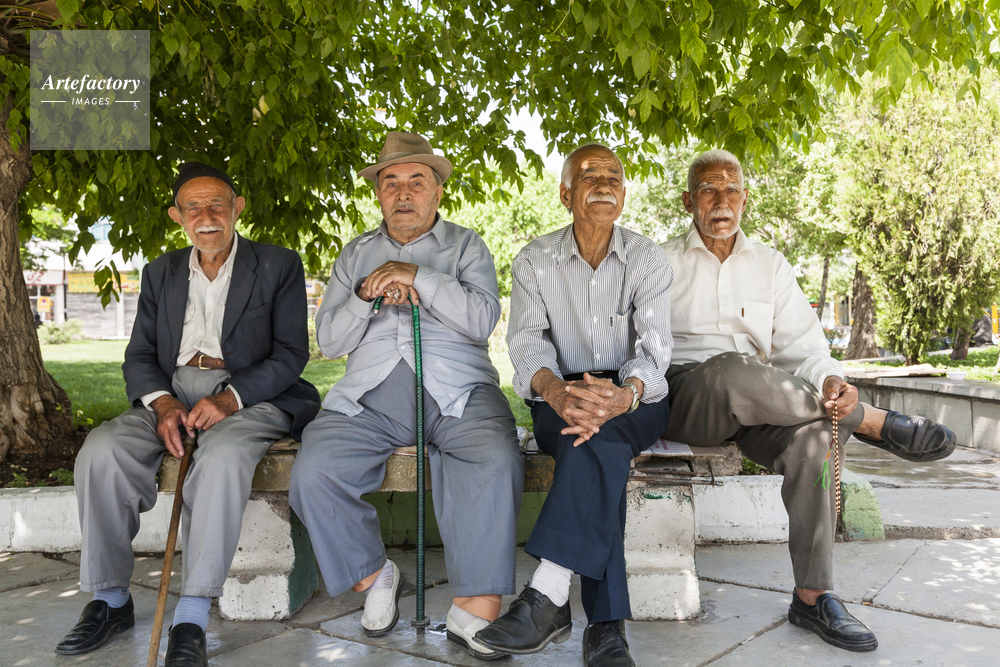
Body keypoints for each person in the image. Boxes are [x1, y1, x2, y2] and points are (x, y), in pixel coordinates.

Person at [661, 148, 957, 653]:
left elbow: (805, 348)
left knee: (817, 438)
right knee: (729, 368)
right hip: (689, 397)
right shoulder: (659, 262)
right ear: (689, 200)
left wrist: (830, 383)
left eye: (731, 189)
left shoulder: (770, 265)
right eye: (708, 189)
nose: (721, 200)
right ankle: (869, 420)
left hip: (762, 402)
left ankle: (812, 595)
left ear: (745, 198)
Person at [56, 162, 321, 667]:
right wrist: (162, 402)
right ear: (177, 216)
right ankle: (110, 600)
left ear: (237, 208)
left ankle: (192, 615)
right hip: (173, 390)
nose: (206, 216)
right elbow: (139, 355)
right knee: (102, 451)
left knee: (221, 457)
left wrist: (230, 399)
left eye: (217, 203)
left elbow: (291, 353)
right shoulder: (162, 271)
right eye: (193, 207)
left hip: (252, 394)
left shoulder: (278, 264)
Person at [289, 132, 524, 660]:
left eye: (417, 182)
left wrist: (420, 277)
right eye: (390, 182)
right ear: (378, 193)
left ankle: (474, 608)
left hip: (459, 388)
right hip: (370, 395)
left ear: (437, 191)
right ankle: (374, 575)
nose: (403, 193)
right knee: (315, 469)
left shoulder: (466, 246)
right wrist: (366, 295)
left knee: (493, 456)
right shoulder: (355, 254)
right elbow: (330, 341)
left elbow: (483, 320)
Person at [475, 144, 674, 667]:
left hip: (636, 393)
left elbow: (655, 350)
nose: (604, 183)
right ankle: (605, 632)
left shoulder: (648, 258)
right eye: (589, 175)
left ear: (624, 194)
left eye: (614, 176)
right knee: (596, 443)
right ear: (566, 194)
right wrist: (557, 392)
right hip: (557, 391)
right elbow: (526, 344)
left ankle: (548, 594)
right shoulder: (534, 259)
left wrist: (624, 395)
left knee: (600, 437)